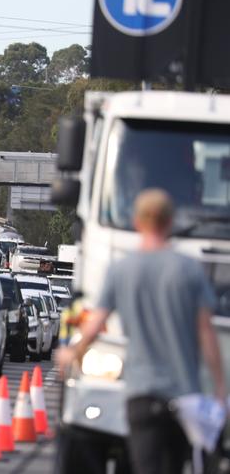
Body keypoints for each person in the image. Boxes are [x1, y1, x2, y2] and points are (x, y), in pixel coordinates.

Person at [56, 188, 226, 474]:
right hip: (184, 397)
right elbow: (207, 336)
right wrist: (220, 389)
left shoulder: (121, 270)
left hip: (142, 396)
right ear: (171, 222)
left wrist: (72, 352)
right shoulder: (189, 270)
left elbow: (95, 325)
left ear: (137, 222)